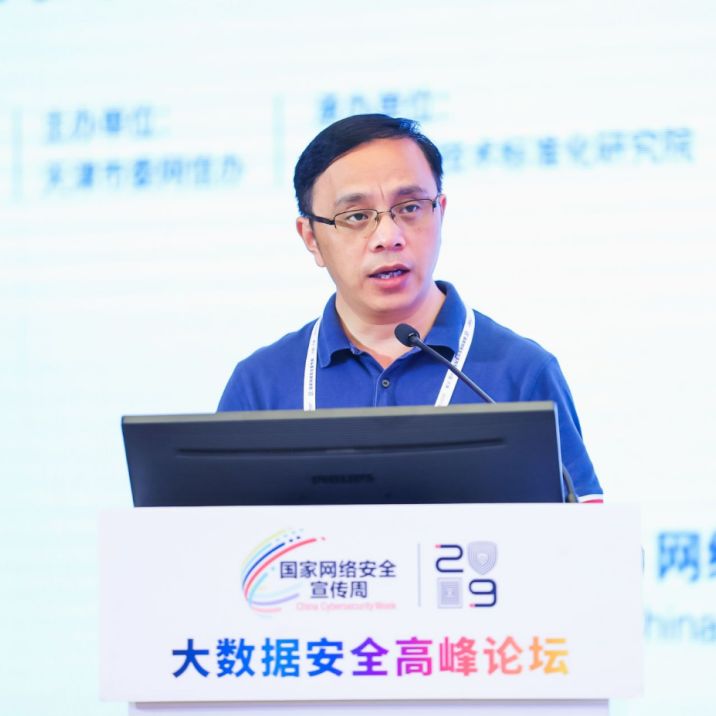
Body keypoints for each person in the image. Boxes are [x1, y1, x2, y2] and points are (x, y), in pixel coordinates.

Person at [218, 114, 603, 502]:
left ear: (440, 213)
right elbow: (211, 531)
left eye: (410, 207)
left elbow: (586, 531)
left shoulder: (521, 372)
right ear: (311, 238)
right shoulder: (261, 384)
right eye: (357, 216)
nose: (388, 237)